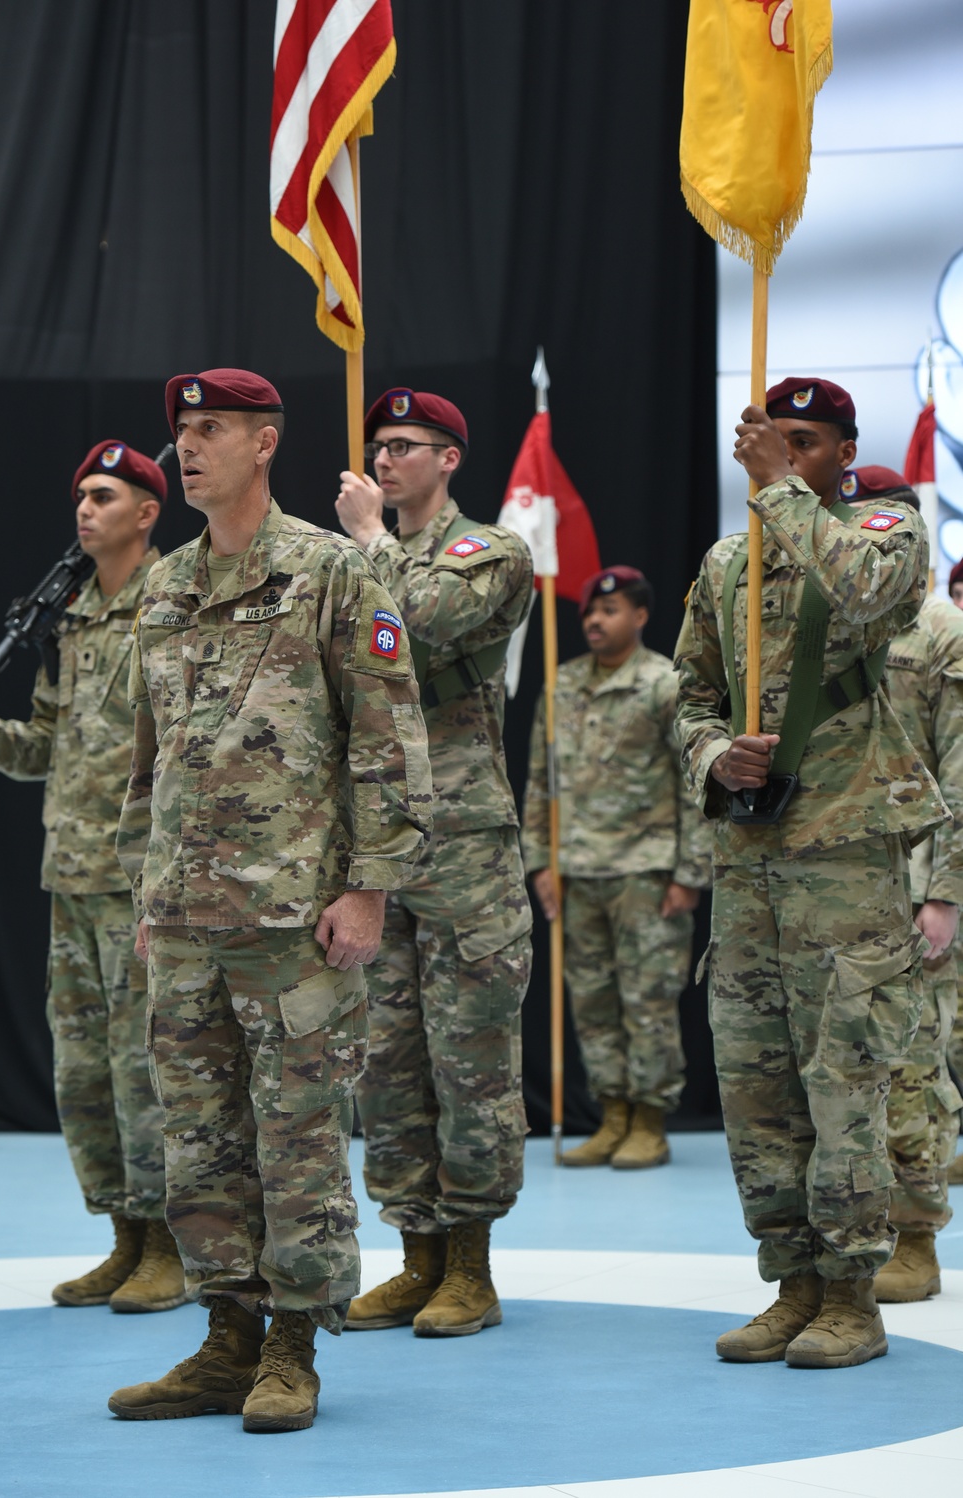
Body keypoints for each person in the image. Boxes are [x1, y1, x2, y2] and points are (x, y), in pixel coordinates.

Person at [107, 369, 432, 1432]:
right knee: (197, 1141)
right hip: (187, 914)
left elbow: (387, 739)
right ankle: (226, 1337)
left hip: (296, 916)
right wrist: (147, 890)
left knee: (295, 1138)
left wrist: (370, 887)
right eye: (183, 431)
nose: (188, 447)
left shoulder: (330, 573)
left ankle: (294, 1344)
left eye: (211, 430)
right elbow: (150, 760)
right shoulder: (163, 589)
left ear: (265, 443)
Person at [675, 377, 948, 1370]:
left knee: (844, 1088)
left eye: (806, 441)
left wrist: (778, 489)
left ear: (841, 451)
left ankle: (851, 1295)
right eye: (771, 439)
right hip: (748, 867)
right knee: (756, 1090)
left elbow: (874, 591)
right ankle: (790, 1283)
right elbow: (687, 695)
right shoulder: (723, 566)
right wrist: (714, 757)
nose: (786, 454)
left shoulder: (883, 529)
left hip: (844, 862)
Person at [0, 441, 183, 1314]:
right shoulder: (73, 617)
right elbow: (53, 742)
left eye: (104, 495)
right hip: (74, 876)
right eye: (80, 497)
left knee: (147, 1070)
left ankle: (169, 1242)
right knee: (84, 1071)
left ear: (147, 512)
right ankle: (124, 1238)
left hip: (141, 882)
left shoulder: (170, 604)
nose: (85, 509)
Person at [335, 387, 534, 1337]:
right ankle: (415, 1254)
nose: (385, 461)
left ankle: (472, 1267)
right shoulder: (347, 560)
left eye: (405, 446)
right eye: (378, 446)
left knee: (471, 1059)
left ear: (449, 458)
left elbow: (422, 626)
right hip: (376, 843)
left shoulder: (488, 553)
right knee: (388, 1062)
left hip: (462, 846)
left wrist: (370, 540)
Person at [522, 565, 711, 1169]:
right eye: (589, 612)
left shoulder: (664, 683)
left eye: (610, 610)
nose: (595, 621)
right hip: (577, 870)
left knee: (648, 999)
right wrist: (540, 862)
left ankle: (650, 1120)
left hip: (645, 869)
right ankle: (612, 1116)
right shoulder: (563, 684)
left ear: (640, 616)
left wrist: (690, 872)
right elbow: (539, 783)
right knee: (593, 1001)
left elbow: (693, 785)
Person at [839, 466, 963, 1300]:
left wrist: (945, 892)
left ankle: (915, 1234)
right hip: (842, 874)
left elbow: (961, 768)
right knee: (844, 1061)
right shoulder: (838, 625)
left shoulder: (942, 631)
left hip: (917, 878)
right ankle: (857, 1225)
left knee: (913, 1059)